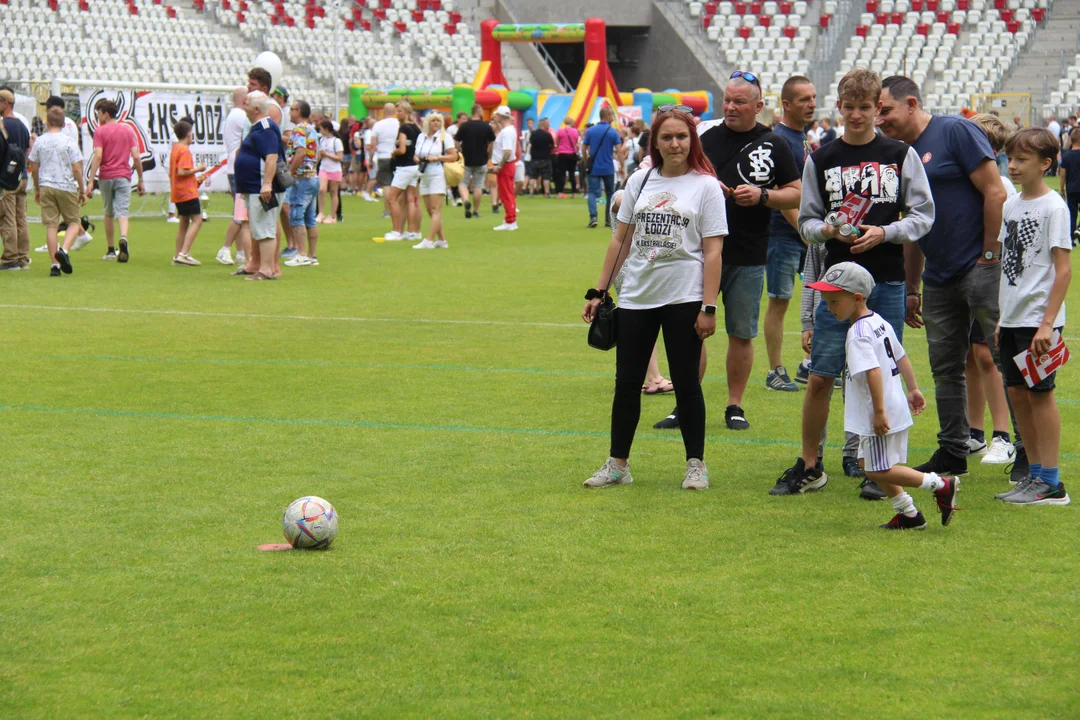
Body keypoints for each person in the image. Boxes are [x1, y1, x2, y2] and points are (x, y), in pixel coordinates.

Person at [772, 68, 935, 498]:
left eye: (867, 107)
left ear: (877, 108)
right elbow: (805, 223)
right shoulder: (821, 158)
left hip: (886, 280)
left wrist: (886, 232)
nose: (858, 115)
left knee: (880, 373)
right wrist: (828, 230)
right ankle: (810, 464)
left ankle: (879, 469)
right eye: (850, 107)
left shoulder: (901, 155)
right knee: (822, 375)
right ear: (839, 108)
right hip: (836, 286)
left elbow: (923, 215)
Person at [581, 106, 727, 490]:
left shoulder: (706, 185)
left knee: (686, 383)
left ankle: (696, 464)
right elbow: (621, 239)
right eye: (667, 137)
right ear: (655, 142)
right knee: (626, 383)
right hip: (636, 296)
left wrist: (708, 307)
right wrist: (600, 291)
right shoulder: (640, 181)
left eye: (682, 136)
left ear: (692, 139)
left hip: (684, 296)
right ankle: (618, 464)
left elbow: (713, 251)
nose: (675, 144)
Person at [877, 75, 1013, 480]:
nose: (880, 120)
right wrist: (913, 286)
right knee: (945, 368)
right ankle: (953, 451)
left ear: (911, 103)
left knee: (1005, 358)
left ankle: (1025, 452)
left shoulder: (954, 130)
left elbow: (995, 191)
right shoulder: (901, 153)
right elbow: (913, 225)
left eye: (886, 110)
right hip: (937, 277)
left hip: (979, 267)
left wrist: (989, 254)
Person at [656, 73, 802, 433]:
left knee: (741, 332)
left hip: (748, 252)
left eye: (739, 102)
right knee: (691, 329)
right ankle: (685, 402)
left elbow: (797, 193)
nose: (731, 107)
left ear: (758, 105)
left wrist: (763, 196)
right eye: (727, 101)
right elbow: (678, 176)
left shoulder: (775, 144)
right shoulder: (703, 138)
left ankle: (734, 405)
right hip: (698, 250)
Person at [808, 262, 959, 529]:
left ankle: (941, 484)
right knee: (872, 464)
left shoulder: (858, 333)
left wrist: (878, 412)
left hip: (879, 410)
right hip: (894, 403)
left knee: (876, 470)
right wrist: (912, 389)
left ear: (856, 298)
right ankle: (909, 515)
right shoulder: (878, 321)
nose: (829, 308)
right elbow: (900, 355)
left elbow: (873, 372)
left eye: (834, 301)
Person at [992, 127, 1072, 505]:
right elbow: (1010, 266)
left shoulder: (1054, 206)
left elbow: (1064, 269)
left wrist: (1047, 323)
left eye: (1022, 159)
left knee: (1040, 396)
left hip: (1038, 320)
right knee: (1017, 395)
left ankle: (1052, 482)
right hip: (1012, 317)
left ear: (1046, 163)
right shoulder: (1011, 204)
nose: (1013, 165)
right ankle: (1035, 475)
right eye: (1010, 158)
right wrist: (1000, 316)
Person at [965, 113, 1019, 464]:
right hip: (960, 277)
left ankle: (1004, 435)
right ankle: (974, 432)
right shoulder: (958, 182)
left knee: (988, 355)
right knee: (969, 356)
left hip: (991, 278)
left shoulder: (1002, 187)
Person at [764, 75, 816, 394]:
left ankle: (810, 365)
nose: (811, 104)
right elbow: (781, 193)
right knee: (780, 301)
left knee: (818, 298)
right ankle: (774, 370)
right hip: (785, 234)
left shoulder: (800, 137)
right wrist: (805, 232)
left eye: (813, 98)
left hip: (803, 233)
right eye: (804, 99)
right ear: (786, 105)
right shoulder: (780, 139)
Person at [84, 98, 146, 263]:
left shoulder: (100, 132)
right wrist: (140, 179)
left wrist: (91, 180)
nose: (97, 116)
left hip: (106, 176)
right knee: (123, 212)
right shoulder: (127, 132)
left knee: (109, 212)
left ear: (106, 114)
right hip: (123, 175)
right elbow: (136, 157)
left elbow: (98, 156)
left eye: (99, 113)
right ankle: (123, 237)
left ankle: (111, 250)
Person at [28, 106, 87, 277]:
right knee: (74, 222)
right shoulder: (69, 142)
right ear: (64, 124)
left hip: (46, 185)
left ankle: (55, 265)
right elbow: (77, 168)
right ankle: (65, 251)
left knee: (51, 225)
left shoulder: (40, 141)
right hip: (66, 185)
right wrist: (82, 190)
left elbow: (34, 166)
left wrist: (38, 188)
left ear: (46, 122)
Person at [233, 90, 285, 281]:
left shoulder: (265, 126)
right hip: (254, 186)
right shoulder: (259, 126)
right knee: (258, 227)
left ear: (255, 108)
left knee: (264, 228)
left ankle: (266, 269)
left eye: (246, 102)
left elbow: (272, 157)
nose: (242, 104)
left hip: (262, 187)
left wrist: (267, 184)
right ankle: (256, 264)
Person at [412, 112, 457, 250]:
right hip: (424, 173)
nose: (436, 123)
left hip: (437, 173)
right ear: (428, 123)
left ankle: (429, 240)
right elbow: (416, 153)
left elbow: (453, 155)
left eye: (438, 121)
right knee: (430, 209)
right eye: (433, 121)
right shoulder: (421, 136)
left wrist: (437, 157)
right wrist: (417, 158)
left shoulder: (445, 137)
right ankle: (442, 240)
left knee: (435, 209)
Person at [216, 87, 250, 267]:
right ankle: (225, 248)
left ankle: (240, 251)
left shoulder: (232, 116)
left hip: (233, 167)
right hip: (239, 168)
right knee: (241, 213)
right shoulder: (241, 117)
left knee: (240, 210)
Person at [284, 99, 320, 268]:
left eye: (292, 109)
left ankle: (301, 254)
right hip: (312, 176)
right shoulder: (311, 129)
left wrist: (290, 172)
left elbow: (300, 153)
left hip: (302, 178)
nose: (289, 112)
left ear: (298, 112)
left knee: (297, 215)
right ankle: (311, 255)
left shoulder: (298, 130)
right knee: (310, 219)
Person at [0, 87, 32, 270]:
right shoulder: (21, 125)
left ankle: (10, 257)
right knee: (21, 218)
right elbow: (27, 150)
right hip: (21, 177)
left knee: (7, 218)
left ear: (5, 104)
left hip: (6, 179)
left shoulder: (3, 125)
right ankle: (22, 257)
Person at [168, 120, 208, 266]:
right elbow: (182, 171)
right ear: (189, 134)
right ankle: (184, 253)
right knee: (197, 221)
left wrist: (195, 179)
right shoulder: (184, 150)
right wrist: (198, 169)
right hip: (187, 193)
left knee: (183, 223)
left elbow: (177, 173)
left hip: (178, 192)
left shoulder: (175, 149)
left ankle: (178, 254)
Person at [384, 101, 422, 242]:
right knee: (410, 199)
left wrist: (394, 152)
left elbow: (402, 149)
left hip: (404, 167)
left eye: (400, 111)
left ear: (406, 112)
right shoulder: (416, 128)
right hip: (414, 166)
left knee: (392, 198)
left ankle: (396, 231)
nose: (397, 114)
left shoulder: (404, 129)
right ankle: (411, 232)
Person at [454, 104, 495, 219]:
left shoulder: (464, 126)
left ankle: (466, 200)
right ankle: (475, 211)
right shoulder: (486, 126)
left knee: (462, 183)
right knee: (478, 186)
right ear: (479, 111)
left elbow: (456, 141)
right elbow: (492, 143)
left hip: (466, 160)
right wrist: (489, 156)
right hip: (481, 160)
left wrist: (459, 152)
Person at [583, 106, 621, 228]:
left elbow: (583, 148)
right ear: (607, 116)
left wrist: (586, 159)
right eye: (611, 115)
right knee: (610, 193)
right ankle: (608, 219)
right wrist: (622, 165)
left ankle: (593, 217)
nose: (612, 118)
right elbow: (619, 150)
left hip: (594, 166)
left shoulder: (591, 130)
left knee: (592, 192)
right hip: (608, 166)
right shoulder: (612, 131)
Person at [490, 106, 519, 232]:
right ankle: (509, 219)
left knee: (506, 193)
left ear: (501, 116)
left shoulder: (506, 132)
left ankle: (510, 221)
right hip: (508, 164)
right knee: (508, 193)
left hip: (505, 165)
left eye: (497, 115)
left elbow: (507, 151)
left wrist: (500, 166)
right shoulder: (509, 129)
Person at [371, 102, 400, 219]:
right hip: (397, 155)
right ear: (395, 111)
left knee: (387, 184)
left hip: (383, 155)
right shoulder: (399, 124)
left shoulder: (378, 125)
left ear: (383, 111)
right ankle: (398, 208)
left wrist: (370, 158)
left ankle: (388, 211)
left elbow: (373, 144)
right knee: (398, 184)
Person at [315, 119, 343, 225]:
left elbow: (339, 157)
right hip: (324, 168)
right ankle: (320, 213)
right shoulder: (321, 140)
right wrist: (315, 165)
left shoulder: (337, 141)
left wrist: (326, 154)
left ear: (326, 129)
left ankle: (331, 215)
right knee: (322, 189)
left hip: (335, 169)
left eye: (321, 129)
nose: (320, 131)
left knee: (333, 192)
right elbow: (320, 155)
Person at [1058, 126, 1080, 245]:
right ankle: (1079, 229)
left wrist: (1062, 190)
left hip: (1071, 188)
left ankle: (1071, 238)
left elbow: (1062, 174)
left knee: (1072, 213)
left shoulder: (1066, 156)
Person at [527, 117, 554, 198]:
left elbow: (531, 143)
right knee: (546, 176)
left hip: (535, 157)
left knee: (533, 176)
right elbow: (552, 144)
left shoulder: (533, 134)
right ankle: (547, 193)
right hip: (545, 157)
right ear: (544, 125)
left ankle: (531, 193)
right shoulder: (547, 135)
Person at [554, 116, 580, 197]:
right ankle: (574, 193)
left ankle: (560, 192)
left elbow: (557, 142)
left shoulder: (560, 131)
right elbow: (576, 143)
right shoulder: (575, 131)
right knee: (572, 174)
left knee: (562, 174)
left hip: (562, 154)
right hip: (572, 154)